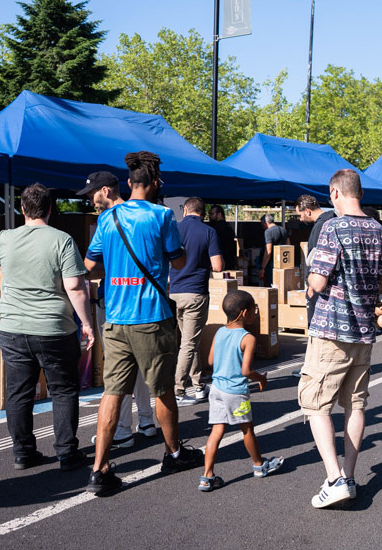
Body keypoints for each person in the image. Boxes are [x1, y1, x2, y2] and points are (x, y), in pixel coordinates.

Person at [84, 151, 203, 496]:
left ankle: (99, 469)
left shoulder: (107, 219)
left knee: (112, 392)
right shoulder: (163, 216)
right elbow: (178, 262)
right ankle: (173, 452)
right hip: (152, 317)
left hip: (116, 318)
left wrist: (119, 270)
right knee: (162, 389)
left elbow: (91, 267)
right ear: (151, 184)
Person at [299, 169, 382, 508]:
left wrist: (311, 274)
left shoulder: (331, 228)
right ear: (360, 194)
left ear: (335, 193)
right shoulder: (380, 231)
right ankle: (348, 475)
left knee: (315, 403)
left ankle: (335, 478)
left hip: (331, 329)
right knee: (356, 404)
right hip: (364, 330)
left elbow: (319, 282)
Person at [0, 183, 94, 471]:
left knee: (19, 392)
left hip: (12, 326)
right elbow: (75, 286)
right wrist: (86, 324)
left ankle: (23, 452)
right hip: (53, 328)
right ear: (50, 209)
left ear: (22, 208)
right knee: (63, 390)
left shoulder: (5, 238)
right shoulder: (62, 240)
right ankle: (66, 452)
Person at [77, 171, 156, 449]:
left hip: (117, 306)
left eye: (92, 194)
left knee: (118, 371)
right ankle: (146, 419)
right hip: (147, 306)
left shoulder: (106, 220)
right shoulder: (150, 215)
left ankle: (122, 428)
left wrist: (103, 271)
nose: (90, 200)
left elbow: (88, 266)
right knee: (143, 367)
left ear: (107, 191)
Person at [198, 290, 284, 492]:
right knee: (247, 429)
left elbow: (210, 361)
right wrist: (261, 378)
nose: (256, 312)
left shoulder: (220, 332)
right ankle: (258, 465)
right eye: (254, 308)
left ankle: (207, 476)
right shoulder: (248, 338)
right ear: (245, 313)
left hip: (217, 389)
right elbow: (245, 371)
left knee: (216, 430)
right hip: (236, 393)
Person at [170, 197, 224, 406]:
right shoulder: (209, 231)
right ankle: (178, 389)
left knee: (188, 341)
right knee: (189, 343)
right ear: (203, 213)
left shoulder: (174, 229)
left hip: (173, 291)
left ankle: (199, 385)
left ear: (185, 211)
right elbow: (218, 266)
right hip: (196, 292)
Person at [295, 195, 337, 324]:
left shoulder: (321, 225)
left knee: (316, 324)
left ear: (307, 211)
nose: (300, 219)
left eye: (300, 215)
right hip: (331, 284)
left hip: (320, 284)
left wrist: (311, 286)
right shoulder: (334, 219)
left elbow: (316, 258)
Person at [260, 214, 290, 287]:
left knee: (271, 286)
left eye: (262, 224)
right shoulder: (283, 230)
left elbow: (268, 251)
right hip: (283, 262)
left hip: (271, 264)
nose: (262, 226)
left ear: (266, 223)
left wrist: (263, 267)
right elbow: (289, 246)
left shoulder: (268, 232)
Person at [208, 205, 237, 270]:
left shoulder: (215, 228)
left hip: (220, 260)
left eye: (212, 214)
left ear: (219, 214)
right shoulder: (229, 227)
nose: (209, 216)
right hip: (229, 261)